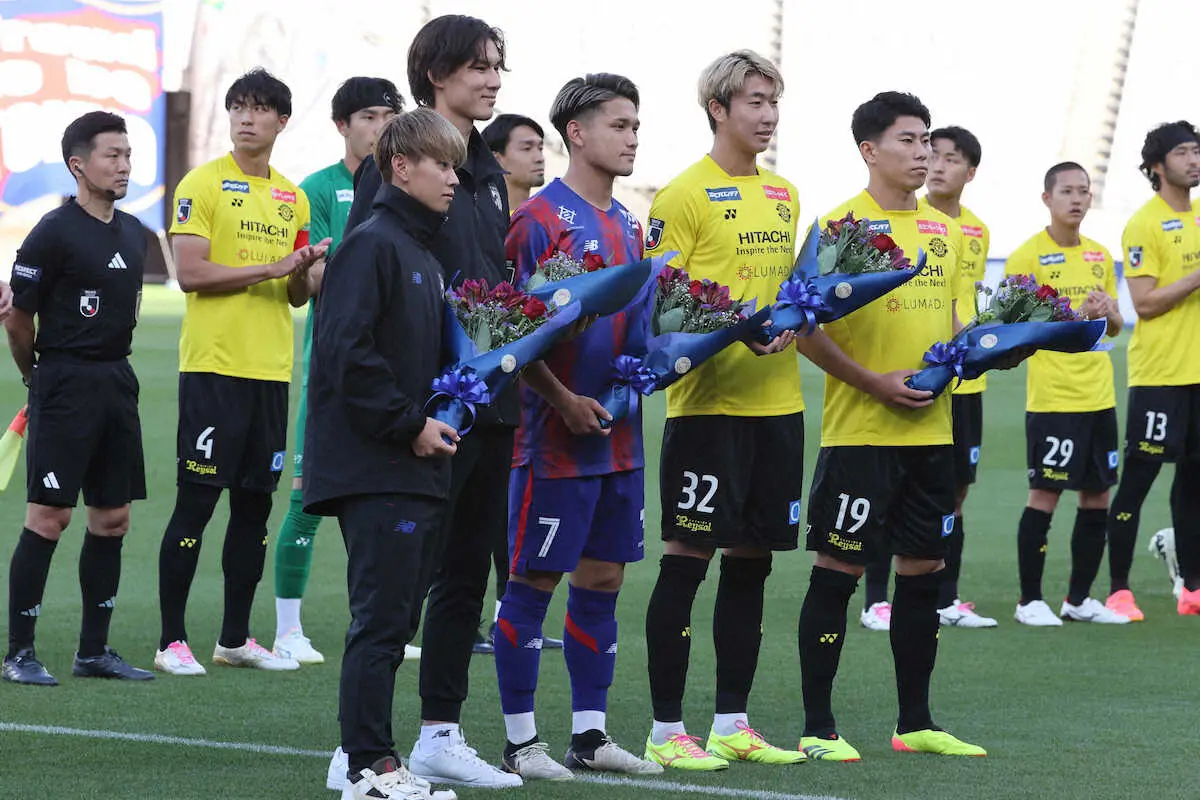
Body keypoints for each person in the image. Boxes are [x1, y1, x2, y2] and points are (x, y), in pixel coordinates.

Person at [340, 15, 524, 789]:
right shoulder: (395, 167)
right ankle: (360, 749)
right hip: (417, 415)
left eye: (497, 67)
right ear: (435, 71)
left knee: (464, 580)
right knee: (397, 587)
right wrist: (405, 412)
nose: (491, 79)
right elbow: (360, 288)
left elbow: (490, 286)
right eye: (477, 66)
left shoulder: (486, 166)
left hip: (490, 404)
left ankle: (440, 731)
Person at [795, 91, 986, 761]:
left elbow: (954, 321)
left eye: (927, 139)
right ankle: (818, 727)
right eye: (908, 140)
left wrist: (988, 344)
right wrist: (874, 383)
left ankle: (915, 723)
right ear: (870, 150)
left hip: (931, 435)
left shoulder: (944, 230)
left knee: (925, 571)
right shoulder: (840, 227)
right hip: (860, 435)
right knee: (838, 569)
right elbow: (803, 332)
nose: (924, 151)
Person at [642, 50, 805, 771]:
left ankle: (732, 722)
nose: (767, 114)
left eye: (773, 101)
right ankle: (664, 729)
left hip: (779, 406)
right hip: (706, 408)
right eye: (754, 102)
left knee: (754, 563)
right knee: (687, 559)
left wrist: (795, 322)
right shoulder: (680, 196)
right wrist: (731, 324)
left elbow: (793, 289)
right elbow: (661, 308)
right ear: (718, 108)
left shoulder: (785, 194)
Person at [495, 73, 662, 781]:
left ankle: (590, 737)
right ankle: (521, 742)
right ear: (578, 133)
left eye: (634, 125)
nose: (631, 137)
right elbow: (505, 333)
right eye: (618, 125)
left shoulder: (630, 226)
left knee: (603, 580)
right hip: (555, 440)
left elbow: (644, 330)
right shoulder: (538, 221)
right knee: (533, 584)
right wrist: (562, 399)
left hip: (620, 439)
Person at [304, 108, 464, 800]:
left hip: (409, 462)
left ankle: (361, 757)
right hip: (380, 462)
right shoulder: (373, 244)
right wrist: (409, 426)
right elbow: (345, 352)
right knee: (381, 619)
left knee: (395, 620)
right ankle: (370, 766)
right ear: (402, 167)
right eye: (443, 165)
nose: (453, 179)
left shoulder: (420, 250)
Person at [155, 68, 329, 676]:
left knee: (254, 506)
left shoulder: (293, 197)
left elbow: (297, 295)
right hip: (213, 366)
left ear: (282, 122)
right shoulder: (200, 184)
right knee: (196, 503)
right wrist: (276, 265)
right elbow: (192, 274)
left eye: (259, 110)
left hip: (269, 372)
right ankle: (171, 639)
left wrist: (306, 267)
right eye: (238, 108)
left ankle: (235, 637)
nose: (246, 118)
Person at [2, 111, 153, 685]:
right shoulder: (52, 230)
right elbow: (18, 317)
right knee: (49, 517)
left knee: (112, 519)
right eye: (111, 155)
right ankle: (19, 653)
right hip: (63, 380)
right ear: (78, 164)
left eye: (127, 154)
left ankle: (94, 651)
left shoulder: (136, 230)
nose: (123, 164)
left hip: (117, 381)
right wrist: (34, 377)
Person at [271, 76, 404, 666]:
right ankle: (287, 628)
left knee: (388, 498)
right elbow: (315, 276)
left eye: (388, 115)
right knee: (307, 495)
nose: (378, 126)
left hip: (397, 361)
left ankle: (383, 625)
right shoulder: (318, 190)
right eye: (368, 116)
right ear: (343, 125)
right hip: (333, 363)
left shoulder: (406, 185)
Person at [859, 126, 999, 631]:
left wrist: (993, 343)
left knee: (953, 493)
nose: (936, 164)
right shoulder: (895, 221)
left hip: (966, 381)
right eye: (931, 154)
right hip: (911, 371)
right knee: (889, 491)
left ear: (971, 171)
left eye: (950, 158)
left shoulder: (974, 230)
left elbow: (967, 301)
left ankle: (945, 596)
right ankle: (877, 599)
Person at [1006, 162, 1127, 626]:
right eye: (1067, 192)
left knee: (1098, 497)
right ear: (1047, 199)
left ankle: (1078, 599)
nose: (1076, 200)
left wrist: (1109, 312)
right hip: (1055, 399)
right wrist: (1074, 317)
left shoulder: (1099, 255)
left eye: (1084, 191)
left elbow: (1112, 328)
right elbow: (1016, 331)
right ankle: (1029, 600)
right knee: (1045, 496)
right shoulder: (1026, 257)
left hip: (1099, 396)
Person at [1106, 120, 1200, 619]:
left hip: (1198, 374)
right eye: (1184, 152)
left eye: (1197, 151)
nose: (1194, 159)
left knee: (1194, 482)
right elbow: (1143, 303)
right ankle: (1119, 588)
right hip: (1160, 374)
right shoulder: (1144, 223)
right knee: (1138, 481)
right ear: (1158, 166)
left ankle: (1192, 586)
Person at [475, 111, 558, 656]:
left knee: (515, 506)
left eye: (540, 146)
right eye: (526, 147)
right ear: (497, 157)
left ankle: (508, 613)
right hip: (494, 385)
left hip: (526, 387)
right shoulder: (503, 220)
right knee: (486, 507)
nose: (538, 155)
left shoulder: (533, 215)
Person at [482, 113, 546, 212]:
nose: (540, 158)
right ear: (496, 160)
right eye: (527, 148)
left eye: (540, 148)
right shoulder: (479, 221)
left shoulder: (547, 220)